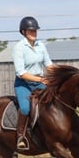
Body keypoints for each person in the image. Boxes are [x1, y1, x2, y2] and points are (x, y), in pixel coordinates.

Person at [12, 16, 53, 150]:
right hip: (23, 83)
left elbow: (49, 65)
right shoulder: (19, 48)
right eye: (30, 31)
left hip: (40, 81)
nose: (34, 33)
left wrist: (58, 75)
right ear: (23, 32)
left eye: (35, 30)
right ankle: (21, 136)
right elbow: (21, 73)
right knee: (25, 108)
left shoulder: (41, 45)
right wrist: (41, 80)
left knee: (54, 100)